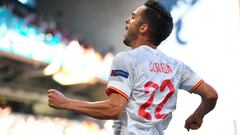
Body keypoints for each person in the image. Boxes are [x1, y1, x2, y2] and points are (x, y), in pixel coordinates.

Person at [48, 0, 218, 134]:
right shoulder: (177, 67)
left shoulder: (126, 60)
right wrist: (198, 116)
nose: (127, 20)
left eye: (133, 17)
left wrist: (66, 103)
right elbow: (211, 95)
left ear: (144, 28)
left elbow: (113, 109)